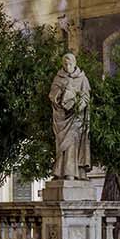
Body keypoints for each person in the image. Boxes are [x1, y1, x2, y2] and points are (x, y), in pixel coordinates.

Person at [49, 51, 93, 179]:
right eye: (65, 64)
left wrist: (78, 105)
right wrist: (62, 95)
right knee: (61, 145)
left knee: (73, 144)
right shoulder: (58, 78)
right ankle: (61, 172)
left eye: (69, 64)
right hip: (62, 116)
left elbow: (86, 96)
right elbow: (52, 95)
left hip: (76, 116)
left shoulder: (82, 79)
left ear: (74, 64)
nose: (67, 66)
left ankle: (72, 173)